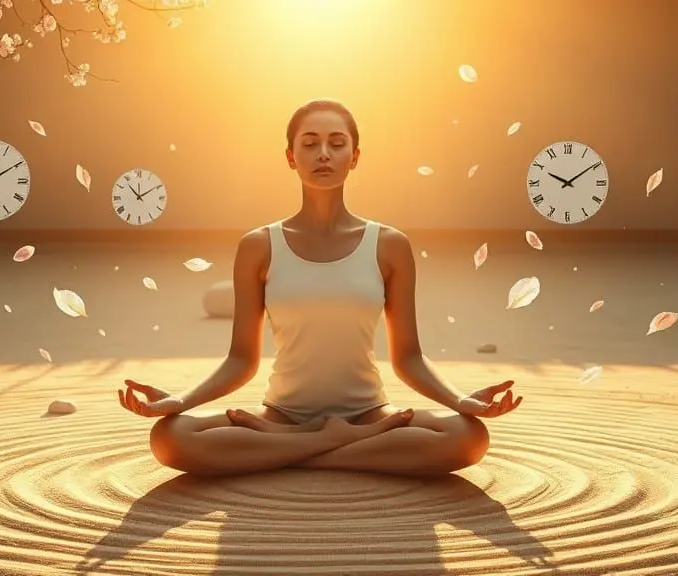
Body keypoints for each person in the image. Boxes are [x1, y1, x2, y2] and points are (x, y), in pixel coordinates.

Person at [118, 98, 523, 477]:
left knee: (469, 437)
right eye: (310, 144)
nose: (323, 154)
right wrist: (181, 401)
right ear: (291, 157)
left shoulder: (389, 245)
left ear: (355, 157)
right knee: (169, 438)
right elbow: (241, 360)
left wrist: (459, 401)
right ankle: (336, 444)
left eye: (337, 144)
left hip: (369, 414)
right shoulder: (259, 245)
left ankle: (294, 449)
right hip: (281, 414)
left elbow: (409, 358)